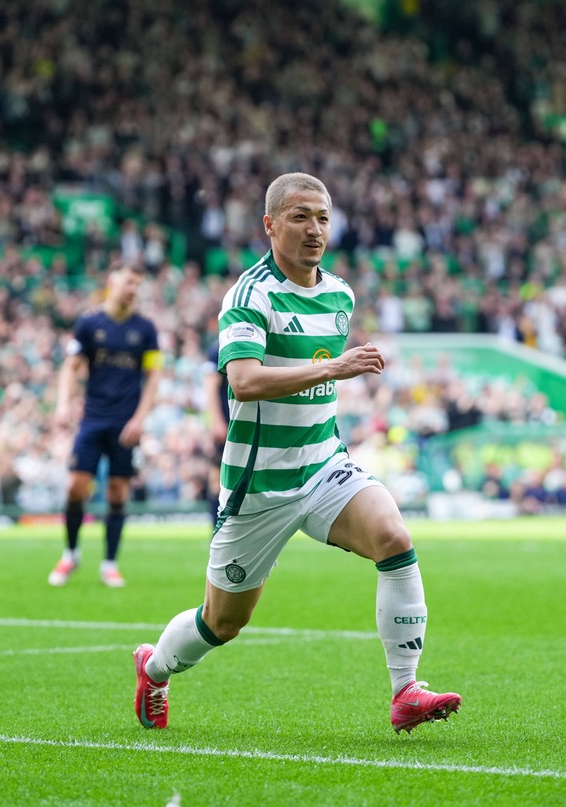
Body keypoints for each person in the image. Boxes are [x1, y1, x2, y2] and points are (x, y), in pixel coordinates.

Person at [131, 173, 460, 733]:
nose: (315, 230)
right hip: (259, 483)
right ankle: (155, 668)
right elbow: (244, 382)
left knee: (394, 538)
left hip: (324, 465)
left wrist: (330, 376)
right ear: (270, 224)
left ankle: (406, 690)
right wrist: (333, 368)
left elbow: (314, 384)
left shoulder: (340, 294)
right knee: (222, 623)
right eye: (300, 216)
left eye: (323, 218)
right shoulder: (250, 296)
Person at [49, 263, 162, 588]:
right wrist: (63, 404)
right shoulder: (89, 323)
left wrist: (140, 418)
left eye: (137, 284)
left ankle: (110, 563)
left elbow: (154, 376)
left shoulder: (145, 329)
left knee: (118, 491)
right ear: (112, 281)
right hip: (93, 418)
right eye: (129, 282)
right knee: (75, 486)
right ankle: (71, 554)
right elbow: (71, 367)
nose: (133, 289)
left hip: (126, 423)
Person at [202, 341, 230, 527]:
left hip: (245, 422)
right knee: (217, 479)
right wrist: (217, 421)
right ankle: (217, 530)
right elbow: (210, 386)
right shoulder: (218, 348)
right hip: (226, 423)